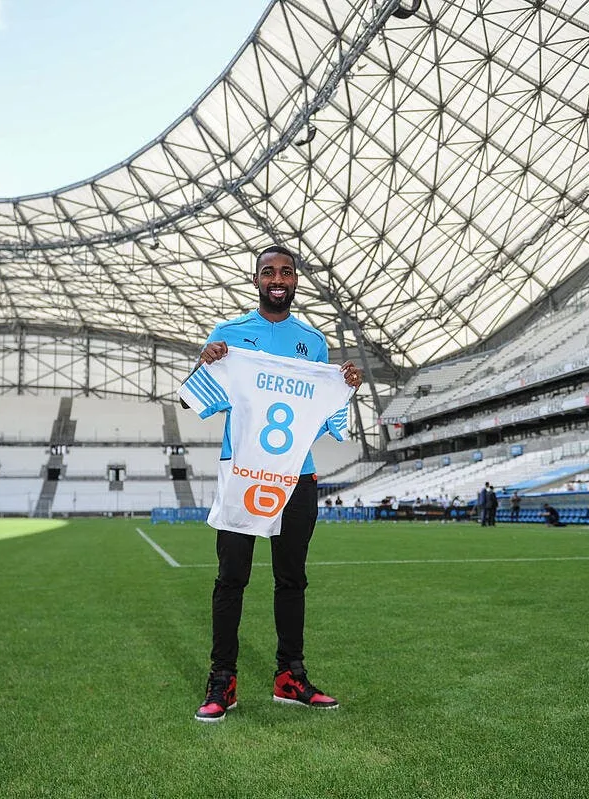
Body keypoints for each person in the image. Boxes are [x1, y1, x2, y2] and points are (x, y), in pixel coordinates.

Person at [191, 244, 363, 723]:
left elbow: (325, 412)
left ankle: (291, 675)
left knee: (292, 579)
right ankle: (222, 680)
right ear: (257, 280)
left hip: (296, 476)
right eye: (269, 272)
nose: (278, 279)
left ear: (295, 280)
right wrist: (206, 362)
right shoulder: (228, 334)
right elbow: (194, 397)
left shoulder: (313, 341)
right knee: (231, 579)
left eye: (286, 271)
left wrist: (345, 386)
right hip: (243, 474)